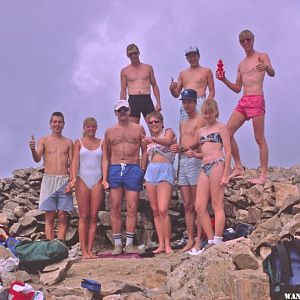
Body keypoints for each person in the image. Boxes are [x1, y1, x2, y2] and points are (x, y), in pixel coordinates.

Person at [216, 29, 275, 184]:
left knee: (259, 138)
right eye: (243, 41)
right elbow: (237, 88)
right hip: (244, 100)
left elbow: (272, 72)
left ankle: (263, 175)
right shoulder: (241, 64)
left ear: (253, 40)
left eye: (248, 39)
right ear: (240, 43)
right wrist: (223, 80)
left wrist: (266, 68)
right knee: (226, 132)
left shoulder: (261, 56)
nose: (246, 42)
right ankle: (238, 167)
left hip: (256, 99)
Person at [102, 100, 147, 255]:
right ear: (115, 112)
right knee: (114, 206)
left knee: (132, 206)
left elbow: (145, 150)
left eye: (125, 109)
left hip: (133, 168)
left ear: (129, 111)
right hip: (115, 168)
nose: (122, 112)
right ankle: (117, 243)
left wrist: (142, 169)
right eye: (119, 110)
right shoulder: (109, 131)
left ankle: (128, 243)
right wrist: (105, 176)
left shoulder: (139, 128)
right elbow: (106, 156)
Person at [187, 99, 231, 252]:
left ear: (215, 112)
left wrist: (226, 174)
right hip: (204, 166)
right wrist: (194, 154)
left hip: (217, 164)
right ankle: (211, 240)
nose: (207, 116)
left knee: (217, 204)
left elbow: (228, 150)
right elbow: (203, 152)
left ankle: (217, 241)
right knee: (199, 206)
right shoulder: (201, 131)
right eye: (205, 113)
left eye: (210, 113)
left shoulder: (222, 127)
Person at [29, 112, 73, 240]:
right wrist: (32, 149)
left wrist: (71, 181)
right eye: (54, 122)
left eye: (60, 122)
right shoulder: (44, 140)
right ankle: (49, 246)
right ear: (50, 123)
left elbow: (73, 164)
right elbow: (37, 159)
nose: (57, 124)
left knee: (62, 215)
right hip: (48, 180)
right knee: (49, 216)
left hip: (64, 180)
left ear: (63, 124)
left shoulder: (68, 142)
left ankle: (60, 246)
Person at [171, 89, 203, 253]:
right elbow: (183, 140)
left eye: (189, 101)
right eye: (184, 101)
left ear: (195, 102)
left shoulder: (200, 119)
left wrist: (185, 148)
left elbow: (200, 141)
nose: (186, 104)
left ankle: (198, 239)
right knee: (188, 205)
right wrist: (178, 148)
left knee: (198, 205)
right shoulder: (183, 122)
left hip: (194, 160)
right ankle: (190, 239)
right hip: (182, 161)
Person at [142, 111, 176, 254]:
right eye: (151, 122)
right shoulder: (149, 139)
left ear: (162, 122)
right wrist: (141, 171)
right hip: (151, 171)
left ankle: (167, 244)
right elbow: (145, 155)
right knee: (155, 210)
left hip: (165, 170)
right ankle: (161, 244)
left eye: (156, 121)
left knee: (163, 209)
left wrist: (153, 140)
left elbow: (168, 141)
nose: (154, 124)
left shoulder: (168, 132)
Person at [71, 117, 104, 259]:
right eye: (88, 127)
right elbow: (74, 161)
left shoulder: (102, 142)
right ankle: (83, 250)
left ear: (96, 128)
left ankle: (90, 249)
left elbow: (105, 161)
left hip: (97, 180)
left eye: (93, 127)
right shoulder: (78, 143)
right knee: (83, 216)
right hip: (82, 180)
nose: (91, 129)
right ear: (84, 128)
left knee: (94, 216)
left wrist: (106, 179)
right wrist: (73, 178)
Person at [169, 46, 215, 122]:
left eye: (194, 56)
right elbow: (176, 94)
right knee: (185, 126)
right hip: (186, 101)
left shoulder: (206, 71)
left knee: (201, 127)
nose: (192, 59)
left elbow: (212, 90)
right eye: (189, 57)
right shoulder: (182, 74)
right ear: (187, 58)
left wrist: (208, 103)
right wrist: (171, 89)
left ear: (198, 56)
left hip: (200, 101)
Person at [120, 43, 161, 124]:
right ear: (128, 55)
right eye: (131, 54)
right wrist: (122, 106)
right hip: (133, 101)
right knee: (132, 130)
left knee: (154, 126)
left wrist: (158, 102)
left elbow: (154, 85)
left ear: (138, 53)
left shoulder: (148, 68)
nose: (133, 55)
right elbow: (123, 90)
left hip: (146, 100)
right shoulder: (124, 71)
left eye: (135, 53)